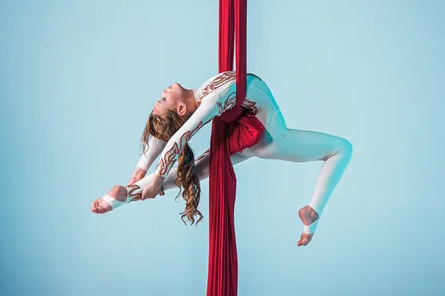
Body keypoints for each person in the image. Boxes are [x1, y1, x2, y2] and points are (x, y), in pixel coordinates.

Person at [90, 71, 353, 247]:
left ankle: (123, 196)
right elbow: (177, 136)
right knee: (342, 148)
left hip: (245, 135)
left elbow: (166, 132)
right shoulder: (210, 101)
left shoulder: (202, 94)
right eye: (162, 98)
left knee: (195, 172)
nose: (162, 90)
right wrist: (154, 175)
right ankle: (313, 212)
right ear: (181, 108)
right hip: (273, 137)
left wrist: (140, 172)